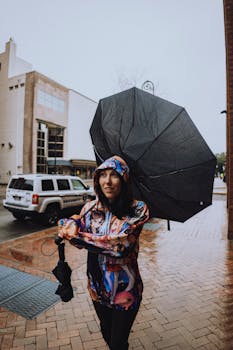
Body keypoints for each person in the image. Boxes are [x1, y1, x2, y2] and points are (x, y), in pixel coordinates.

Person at [58, 155, 149, 350]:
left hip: (126, 291)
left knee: (118, 342)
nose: (107, 181)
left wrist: (76, 236)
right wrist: (69, 224)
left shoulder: (137, 209)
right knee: (106, 333)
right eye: (102, 175)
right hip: (97, 287)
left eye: (114, 175)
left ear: (124, 179)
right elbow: (74, 220)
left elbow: (119, 246)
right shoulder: (90, 208)